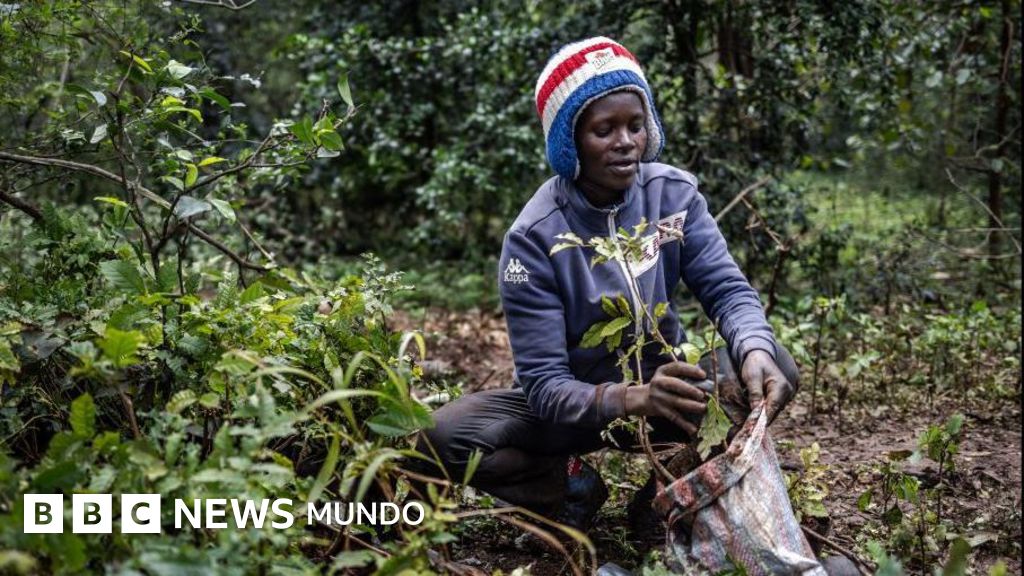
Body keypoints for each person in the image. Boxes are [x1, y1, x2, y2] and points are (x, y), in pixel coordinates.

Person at [415, 36, 799, 533]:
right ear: (568, 141)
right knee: (442, 435)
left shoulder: (674, 196)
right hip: (568, 413)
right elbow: (545, 386)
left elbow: (727, 290)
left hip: (668, 394)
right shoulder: (534, 236)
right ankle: (570, 490)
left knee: (770, 364)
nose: (625, 142)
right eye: (604, 129)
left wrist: (751, 346)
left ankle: (664, 503)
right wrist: (633, 398)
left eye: (635, 126)